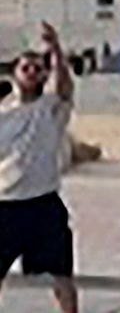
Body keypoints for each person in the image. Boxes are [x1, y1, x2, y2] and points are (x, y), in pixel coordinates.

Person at [0, 22, 78, 313]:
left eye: (37, 68)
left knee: (62, 274)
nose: (32, 73)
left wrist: (55, 48)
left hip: (43, 203)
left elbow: (66, 87)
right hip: (6, 205)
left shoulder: (51, 108)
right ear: (14, 74)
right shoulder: (3, 115)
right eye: (26, 68)